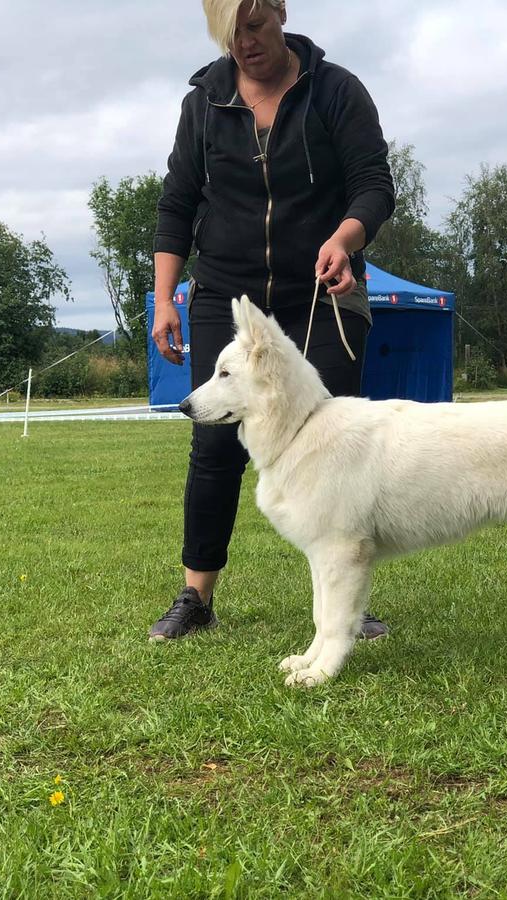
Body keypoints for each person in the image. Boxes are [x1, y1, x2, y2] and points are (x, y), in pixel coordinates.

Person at [148, 0, 395, 641]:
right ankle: (195, 598)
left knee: (337, 443)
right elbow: (177, 201)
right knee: (213, 444)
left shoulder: (336, 90)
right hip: (227, 297)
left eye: (255, 26)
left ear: (280, 10)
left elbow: (374, 184)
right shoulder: (203, 102)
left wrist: (345, 239)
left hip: (320, 289)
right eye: (231, 34)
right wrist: (165, 297)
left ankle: (345, 604)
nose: (245, 44)